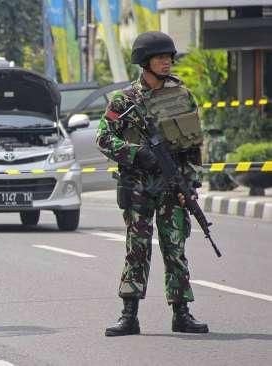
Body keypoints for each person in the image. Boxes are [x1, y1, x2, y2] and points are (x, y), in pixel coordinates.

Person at [96, 31, 209, 336]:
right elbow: (103, 139)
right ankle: (129, 315)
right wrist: (137, 153)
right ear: (145, 62)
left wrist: (190, 184)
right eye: (160, 57)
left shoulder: (182, 96)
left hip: (172, 187)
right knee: (137, 249)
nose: (167, 62)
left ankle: (182, 313)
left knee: (175, 248)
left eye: (169, 57)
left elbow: (192, 146)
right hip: (138, 186)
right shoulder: (124, 100)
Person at [204, 126, 237, 191]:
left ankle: (213, 186)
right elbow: (229, 149)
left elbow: (208, 152)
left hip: (212, 160)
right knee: (221, 173)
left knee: (213, 173)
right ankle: (222, 186)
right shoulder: (222, 140)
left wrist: (207, 160)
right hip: (220, 160)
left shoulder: (210, 141)